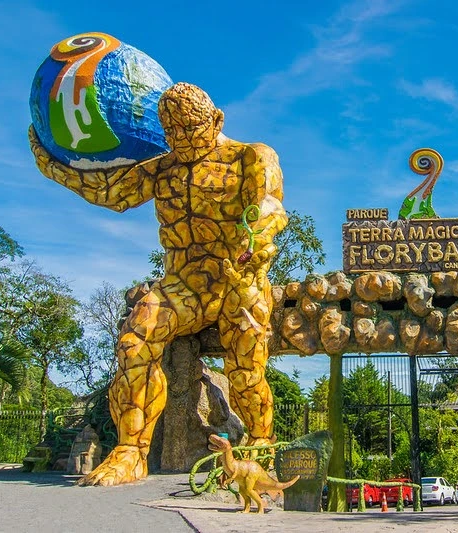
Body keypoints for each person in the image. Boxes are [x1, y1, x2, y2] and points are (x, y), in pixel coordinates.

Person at [29, 82, 288, 486]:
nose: (182, 139)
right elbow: (112, 192)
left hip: (239, 283)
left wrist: (253, 237)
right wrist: (55, 164)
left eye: (191, 128)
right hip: (183, 284)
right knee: (135, 340)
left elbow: (271, 205)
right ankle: (131, 451)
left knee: (245, 373)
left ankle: (259, 447)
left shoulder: (251, 156)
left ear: (216, 119)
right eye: (173, 132)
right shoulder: (162, 168)